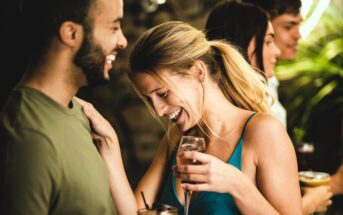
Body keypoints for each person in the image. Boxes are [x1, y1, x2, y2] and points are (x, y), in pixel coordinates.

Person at [79, 21, 302, 214]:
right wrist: (109, 143)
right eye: (150, 99)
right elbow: (135, 212)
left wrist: (237, 185)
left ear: (198, 71)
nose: (158, 111)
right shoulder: (176, 138)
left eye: (163, 94)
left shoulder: (264, 131)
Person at [0, 0, 134, 214]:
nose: (123, 41)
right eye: (114, 27)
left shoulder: (76, 112)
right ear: (71, 34)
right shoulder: (26, 137)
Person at [204, 2, 333, 214]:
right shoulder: (259, 119)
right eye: (268, 41)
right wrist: (314, 199)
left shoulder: (264, 93)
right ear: (243, 45)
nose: (276, 49)